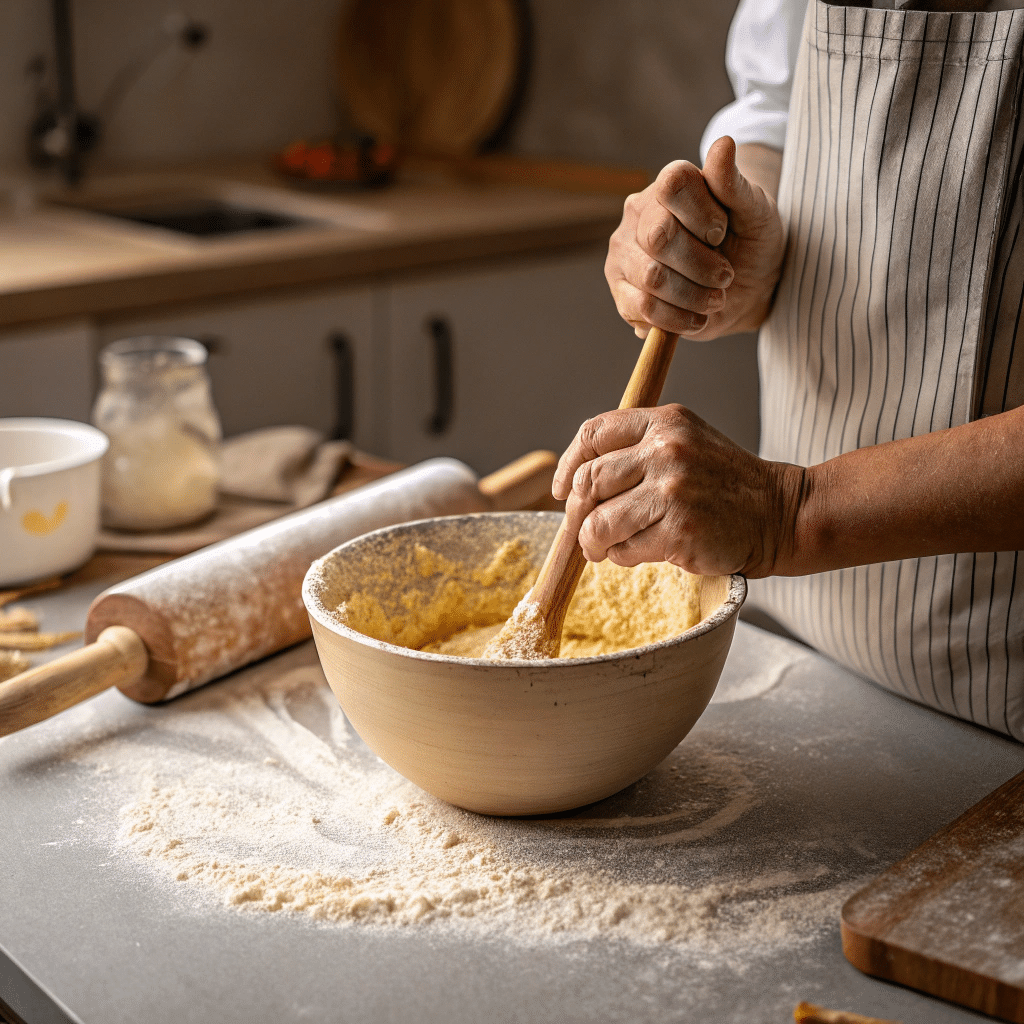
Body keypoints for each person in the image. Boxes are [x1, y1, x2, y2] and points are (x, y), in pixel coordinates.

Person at [552, 0, 1024, 740]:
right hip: (813, 660)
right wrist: (741, 247)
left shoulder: (781, 519)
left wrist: (790, 514)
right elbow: (781, 108)